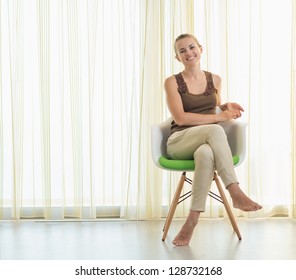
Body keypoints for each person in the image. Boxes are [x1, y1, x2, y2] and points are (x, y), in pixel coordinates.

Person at [164, 33, 262, 246]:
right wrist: (219, 117)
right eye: (182, 51)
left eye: (192, 47)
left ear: (200, 48)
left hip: (204, 142)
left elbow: (211, 108)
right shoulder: (172, 82)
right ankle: (235, 191)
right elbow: (181, 117)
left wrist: (225, 106)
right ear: (177, 58)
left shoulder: (215, 79)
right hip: (179, 141)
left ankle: (191, 221)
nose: (189, 53)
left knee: (206, 153)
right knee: (216, 130)